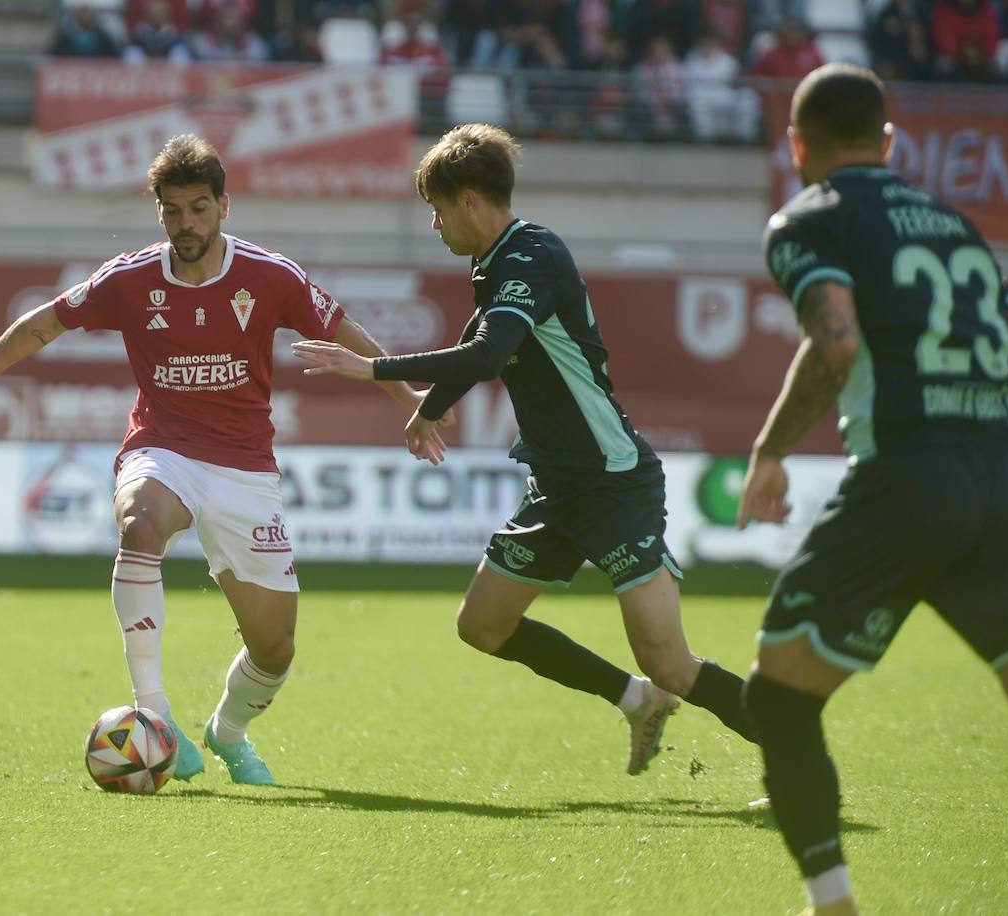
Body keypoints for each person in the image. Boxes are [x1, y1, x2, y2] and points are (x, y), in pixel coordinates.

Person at [0, 135, 439, 785]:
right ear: (158, 211)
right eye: (173, 210)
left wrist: (407, 394)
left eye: (199, 209)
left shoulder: (270, 277)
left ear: (224, 207)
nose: (187, 223)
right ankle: (154, 717)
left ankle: (229, 731)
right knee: (141, 524)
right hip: (164, 448)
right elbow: (43, 322)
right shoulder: (128, 280)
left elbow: (340, 328)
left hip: (244, 468)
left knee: (275, 649)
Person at [292, 123, 758, 776]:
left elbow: (487, 353)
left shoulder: (532, 254)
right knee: (483, 627)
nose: (434, 225)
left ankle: (795, 753)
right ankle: (636, 700)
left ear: (471, 201)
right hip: (556, 486)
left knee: (672, 661)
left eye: (437, 209)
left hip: (612, 482)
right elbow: (478, 339)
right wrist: (428, 408)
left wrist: (368, 369)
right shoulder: (496, 264)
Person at [737, 63, 1008, 915]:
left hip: (910, 477)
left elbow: (836, 344)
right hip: (1007, 483)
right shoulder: (955, 224)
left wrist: (770, 453)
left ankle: (832, 905)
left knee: (780, 694)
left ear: (796, 145)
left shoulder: (810, 219)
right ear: (889, 141)